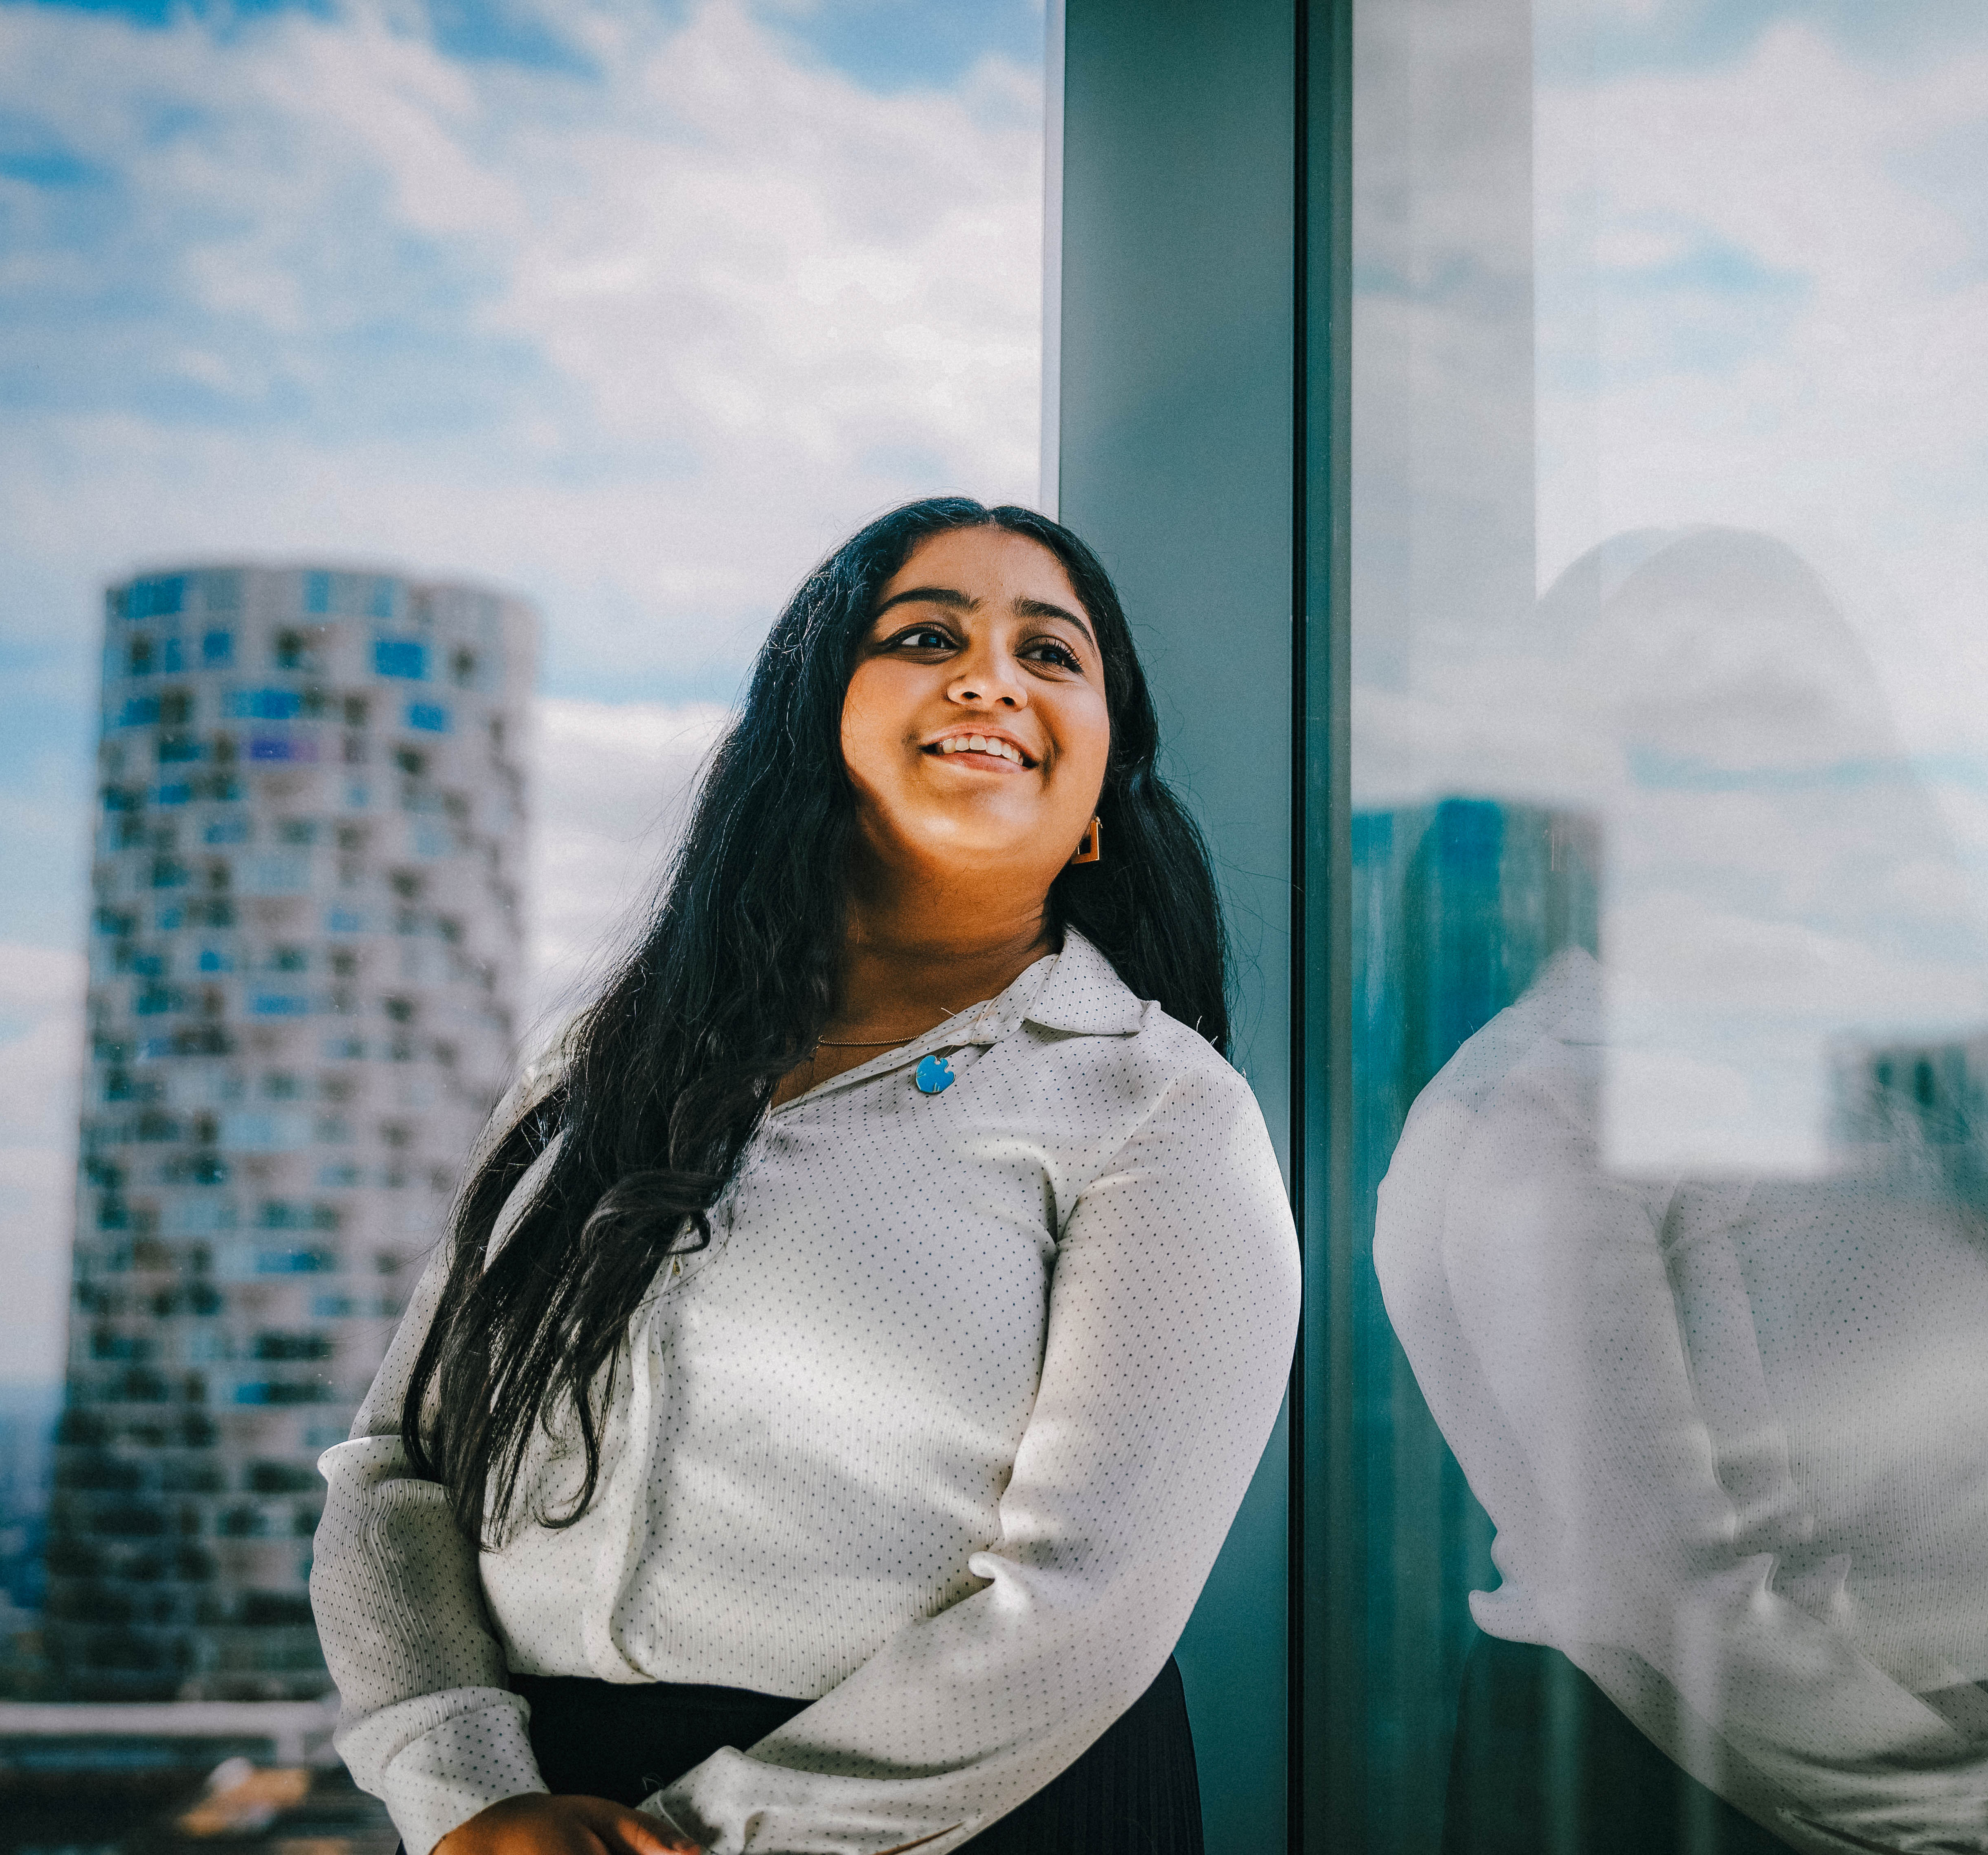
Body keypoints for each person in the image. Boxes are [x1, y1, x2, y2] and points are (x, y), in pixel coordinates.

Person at [309, 498, 1301, 1855]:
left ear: (1098, 798)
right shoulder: (595, 1064)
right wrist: (466, 1794)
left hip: (970, 1817)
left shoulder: (1158, 1108)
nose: (989, 675)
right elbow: (396, 1474)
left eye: (1051, 654)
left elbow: (1085, 1605)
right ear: (815, 724)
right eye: (926, 634)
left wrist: (715, 1837)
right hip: (543, 1810)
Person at [1368, 528, 1988, 1855]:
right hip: (1733, 1809)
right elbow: (1659, 1595)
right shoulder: (1529, 1120)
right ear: (1567, 784)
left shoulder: (1967, 1088)